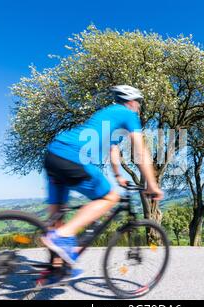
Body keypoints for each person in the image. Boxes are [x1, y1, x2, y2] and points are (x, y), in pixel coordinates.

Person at [41, 85, 164, 279]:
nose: (139, 108)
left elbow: (113, 150)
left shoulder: (107, 114)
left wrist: (118, 176)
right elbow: (140, 151)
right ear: (132, 102)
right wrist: (152, 184)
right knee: (110, 197)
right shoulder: (128, 114)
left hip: (53, 154)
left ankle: (57, 266)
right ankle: (62, 237)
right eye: (139, 104)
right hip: (73, 157)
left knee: (56, 217)